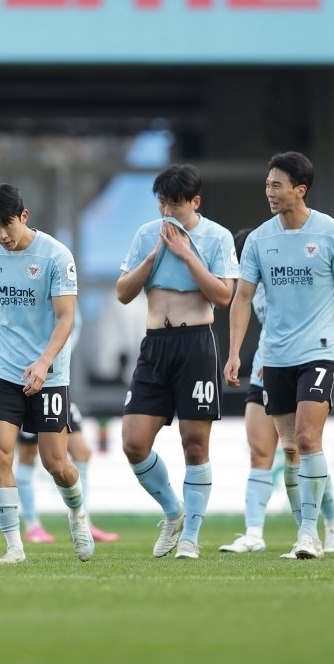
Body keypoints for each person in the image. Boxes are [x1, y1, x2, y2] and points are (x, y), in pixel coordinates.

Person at [224, 151, 334, 560]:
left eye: (276, 185)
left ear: (299, 190)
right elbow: (242, 298)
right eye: (267, 184)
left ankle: (310, 534)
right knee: (289, 449)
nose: (269, 191)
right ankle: (298, 530)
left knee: (307, 437)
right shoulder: (260, 241)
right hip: (276, 359)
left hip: (320, 351)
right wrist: (234, 353)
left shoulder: (333, 234)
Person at [116, 164, 238, 560]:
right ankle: (173, 512)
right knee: (134, 442)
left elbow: (223, 296)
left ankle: (192, 537)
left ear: (195, 202)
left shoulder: (217, 237)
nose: (167, 211)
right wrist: (154, 256)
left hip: (195, 344)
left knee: (195, 444)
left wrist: (186, 254)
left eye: (175, 204)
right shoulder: (145, 235)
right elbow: (122, 292)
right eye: (162, 203)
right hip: (155, 344)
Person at [0, 183, 94, 565]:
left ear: (24, 216)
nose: (2, 235)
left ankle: (77, 513)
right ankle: (14, 546)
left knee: (56, 464)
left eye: (6, 224)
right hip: (4, 371)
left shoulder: (56, 255)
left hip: (49, 374)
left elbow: (66, 318)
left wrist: (43, 362)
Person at [218, 228, 334, 555]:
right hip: (268, 366)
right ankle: (253, 533)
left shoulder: (289, 275)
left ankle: (331, 523)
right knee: (261, 451)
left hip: (301, 363)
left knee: (303, 448)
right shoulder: (251, 287)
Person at [16, 309, 118, 544]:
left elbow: (69, 332)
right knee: (29, 455)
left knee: (82, 451)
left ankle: (84, 520)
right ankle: (32, 525)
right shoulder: (29, 293)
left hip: (57, 381)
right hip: (28, 381)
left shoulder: (69, 302)